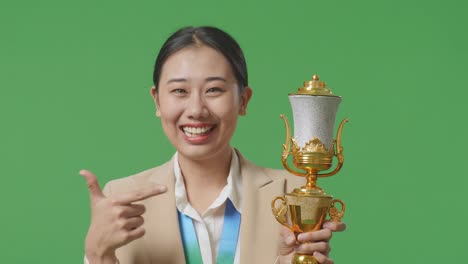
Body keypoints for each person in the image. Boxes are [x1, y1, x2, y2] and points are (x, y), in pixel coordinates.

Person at [80, 26, 346, 264]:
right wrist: (98, 255)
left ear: (243, 100)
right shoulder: (123, 202)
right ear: (157, 101)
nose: (196, 110)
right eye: (179, 91)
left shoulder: (293, 194)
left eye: (214, 90)